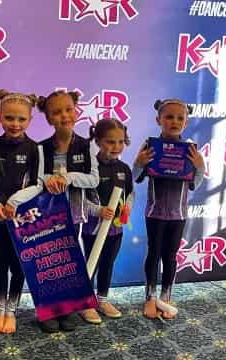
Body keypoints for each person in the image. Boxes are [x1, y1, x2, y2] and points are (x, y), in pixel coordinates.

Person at [133, 99, 204, 319]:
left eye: (180, 118)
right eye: (169, 117)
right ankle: (150, 297)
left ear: (186, 122)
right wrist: (139, 162)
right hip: (155, 212)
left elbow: (194, 183)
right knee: (153, 253)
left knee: (170, 257)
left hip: (178, 214)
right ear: (158, 119)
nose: (174, 121)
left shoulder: (190, 149)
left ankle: (166, 296)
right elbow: (135, 177)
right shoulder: (149, 145)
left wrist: (200, 166)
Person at [37, 90, 99, 333]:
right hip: (49, 214)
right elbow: (36, 177)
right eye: (56, 112)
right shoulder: (41, 148)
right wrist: (47, 180)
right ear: (49, 118)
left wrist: (69, 177)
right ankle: (48, 309)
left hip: (73, 212)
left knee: (70, 261)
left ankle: (68, 309)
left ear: (76, 111)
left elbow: (93, 179)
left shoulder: (86, 145)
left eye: (68, 109)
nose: (64, 115)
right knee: (49, 261)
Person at [0, 89, 43, 334]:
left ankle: (12, 311)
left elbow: (38, 183)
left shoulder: (34, 148)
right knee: (1, 263)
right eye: (9, 118)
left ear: (30, 120)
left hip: (22, 217)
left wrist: (14, 203)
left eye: (21, 119)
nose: (15, 124)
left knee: (19, 265)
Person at [81, 118, 134, 324]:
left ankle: (102, 299)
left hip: (115, 229)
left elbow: (130, 193)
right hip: (93, 228)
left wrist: (127, 207)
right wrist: (98, 210)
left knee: (107, 263)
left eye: (121, 142)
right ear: (98, 141)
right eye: (110, 142)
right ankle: (86, 303)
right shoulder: (89, 169)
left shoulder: (124, 168)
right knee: (91, 263)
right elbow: (80, 202)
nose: (116, 147)